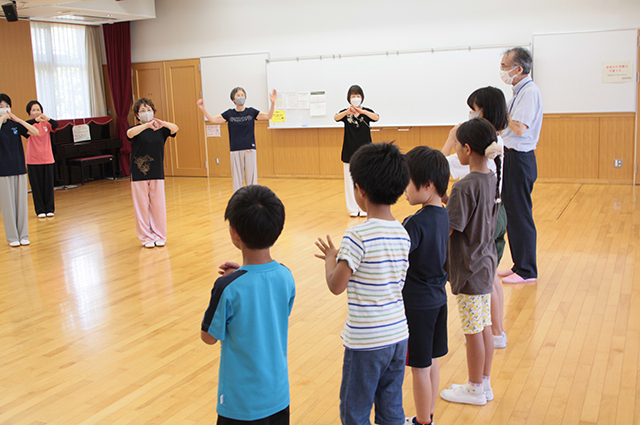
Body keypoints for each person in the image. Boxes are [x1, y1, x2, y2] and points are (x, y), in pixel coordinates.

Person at [315, 142, 410, 425]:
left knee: (355, 411)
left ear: (361, 191)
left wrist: (331, 258)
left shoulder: (357, 236)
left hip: (367, 341)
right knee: (391, 407)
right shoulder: (402, 233)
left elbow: (336, 285)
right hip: (397, 334)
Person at [201, 184, 295, 424]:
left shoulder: (227, 287)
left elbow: (209, 337)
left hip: (240, 404)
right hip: (278, 396)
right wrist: (242, 274)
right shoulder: (286, 275)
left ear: (234, 232)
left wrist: (234, 280)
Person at [439, 118, 502, 406]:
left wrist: (436, 209)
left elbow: (450, 227)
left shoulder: (465, 185)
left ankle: (475, 387)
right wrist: (446, 200)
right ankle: (484, 383)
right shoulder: (490, 176)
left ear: (466, 149)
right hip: (486, 261)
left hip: (469, 267)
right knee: (484, 326)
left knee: (472, 331)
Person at [441, 86, 509, 348]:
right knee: (490, 277)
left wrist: (450, 138)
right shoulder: (493, 143)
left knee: (485, 280)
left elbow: (439, 163)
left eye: (474, 109)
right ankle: (497, 333)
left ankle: (493, 335)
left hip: (483, 222)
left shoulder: (479, 149)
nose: (471, 113)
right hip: (494, 214)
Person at [402, 146, 450, 425]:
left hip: (417, 305)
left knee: (418, 367)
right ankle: (428, 414)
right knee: (431, 361)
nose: (404, 188)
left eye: (408, 181)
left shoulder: (415, 223)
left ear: (429, 185)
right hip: (437, 299)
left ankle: (422, 422)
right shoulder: (443, 215)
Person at [498, 47, 543, 285]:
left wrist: (499, 114)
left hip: (520, 158)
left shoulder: (529, 92)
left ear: (519, 68)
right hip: (511, 157)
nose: (503, 71)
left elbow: (519, 127)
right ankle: (519, 264)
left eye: (506, 66)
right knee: (512, 214)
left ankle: (527, 270)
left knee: (520, 214)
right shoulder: (518, 92)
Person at [197, 88, 277, 192]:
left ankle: (252, 202)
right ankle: (238, 203)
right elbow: (213, 120)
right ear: (233, 99)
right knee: (237, 180)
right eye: (238, 95)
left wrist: (273, 103)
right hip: (235, 150)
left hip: (250, 149)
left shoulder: (251, 112)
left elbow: (268, 116)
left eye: (242, 95)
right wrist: (203, 109)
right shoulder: (229, 114)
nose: (241, 97)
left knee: (252, 180)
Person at [126, 98, 179, 248]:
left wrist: (162, 123)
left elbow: (175, 128)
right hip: (138, 174)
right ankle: (146, 237)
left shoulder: (160, 130)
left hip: (157, 172)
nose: (146, 113)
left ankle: (160, 235)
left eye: (149, 110)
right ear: (137, 115)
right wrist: (146, 126)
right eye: (142, 111)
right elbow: (129, 134)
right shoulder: (136, 130)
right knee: (142, 206)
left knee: (158, 205)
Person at [334, 85, 379, 217]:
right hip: (349, 152)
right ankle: (352, 208)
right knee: (349, 181)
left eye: (358, 96)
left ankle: (364, 207)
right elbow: (336, 117)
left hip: (366, 153)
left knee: (365, 180)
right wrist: (348, 112)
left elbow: (376, 117)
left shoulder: (367, 112)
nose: (355, 98)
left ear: (362, 98)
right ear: (349, 98)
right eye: (353, 96)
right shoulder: (345, 112)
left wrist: (362, 111)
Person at [0, 94, 39, 247]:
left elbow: (35, 132)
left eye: (6, 106)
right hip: (3, 170)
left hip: (19, 168)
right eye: (1, 106)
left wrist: (19, 120)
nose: (4, 109)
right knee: (8, 205)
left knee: (21, 204)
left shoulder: (15, 125)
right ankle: (12, 237)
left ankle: (23, 235)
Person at [24, 100, 58, 218]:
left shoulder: (46, 124)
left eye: (38, 109)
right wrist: (35, 121)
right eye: (33, 110)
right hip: (33, 160)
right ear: (29, 113)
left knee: (48, 185)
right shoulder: (28, 124)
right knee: (36, 187)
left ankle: (49, 208)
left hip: (47, 158)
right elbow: (23, 128)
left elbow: (56, 125)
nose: (36, 112)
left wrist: (46, 118)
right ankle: (40, 210)